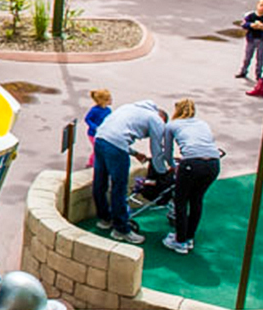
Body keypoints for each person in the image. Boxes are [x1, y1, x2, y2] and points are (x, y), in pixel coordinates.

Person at [91, 100, 171, 244]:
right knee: (119, 187)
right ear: (162, 119)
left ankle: (104, 219)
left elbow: (115, 133)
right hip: (116, 147)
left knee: (100, 182)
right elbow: (157, 150)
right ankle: (121, 230)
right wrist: (162, 171)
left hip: (100, 140)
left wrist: (134, 153)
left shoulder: (130, 107)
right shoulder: (156, 120)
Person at [162, 99, 220, 255]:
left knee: (180, 201)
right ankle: (189, 237)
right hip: (213, 164)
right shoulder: (203, 124)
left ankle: (179, 240)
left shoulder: (172, 125)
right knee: (197, 199)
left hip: (191, 164)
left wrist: (173, 166)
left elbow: (167, 153)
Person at [236, 0, 263, 80]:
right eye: (261, 5)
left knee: (260, 57)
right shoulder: (250, 15)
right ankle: (243, 71)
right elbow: (244, 24)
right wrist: (251, 25)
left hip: (262, 39)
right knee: (247, 56)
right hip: (251, 38)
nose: (262, 8)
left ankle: (258, 74)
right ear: (257, 5)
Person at [83, 89, 112, 167]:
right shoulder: (94, 110)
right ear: (102, 101)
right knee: (97, 149)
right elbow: (87, 119)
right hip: (93, 134)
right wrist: (94, 127)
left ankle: (97, 162)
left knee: (101, 148)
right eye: (108, 99)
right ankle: (91, 163)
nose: (111, 100)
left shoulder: (108, 110)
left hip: (103, 133)